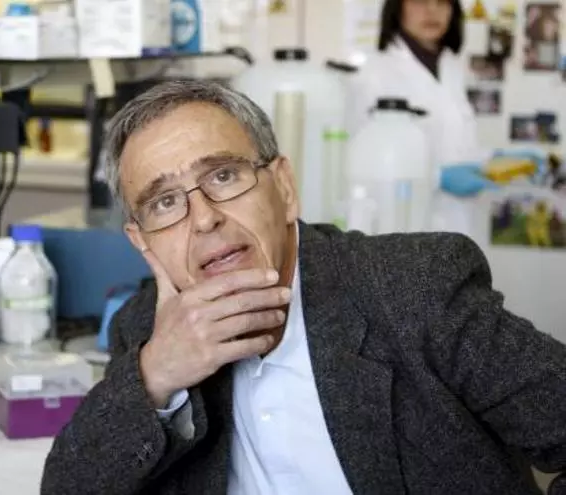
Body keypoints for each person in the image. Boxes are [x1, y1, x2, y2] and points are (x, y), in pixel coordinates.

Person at [40, 79, 566, 494]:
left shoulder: (414, 289)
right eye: (165, 203)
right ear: (141, 241)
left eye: (223, 176)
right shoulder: (147, 332)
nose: (203, 219)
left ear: (284, 187)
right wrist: (156, 375)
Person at [347, 0, 544, 235]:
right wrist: (437, 178)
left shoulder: (452, 68)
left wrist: (498, 159)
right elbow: (357, 163)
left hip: (458, 226)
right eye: (420, 1)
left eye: (442, 2)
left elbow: (456, 150)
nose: (432, 10)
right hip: (402, 227)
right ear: (397, 8)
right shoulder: (372, 75)